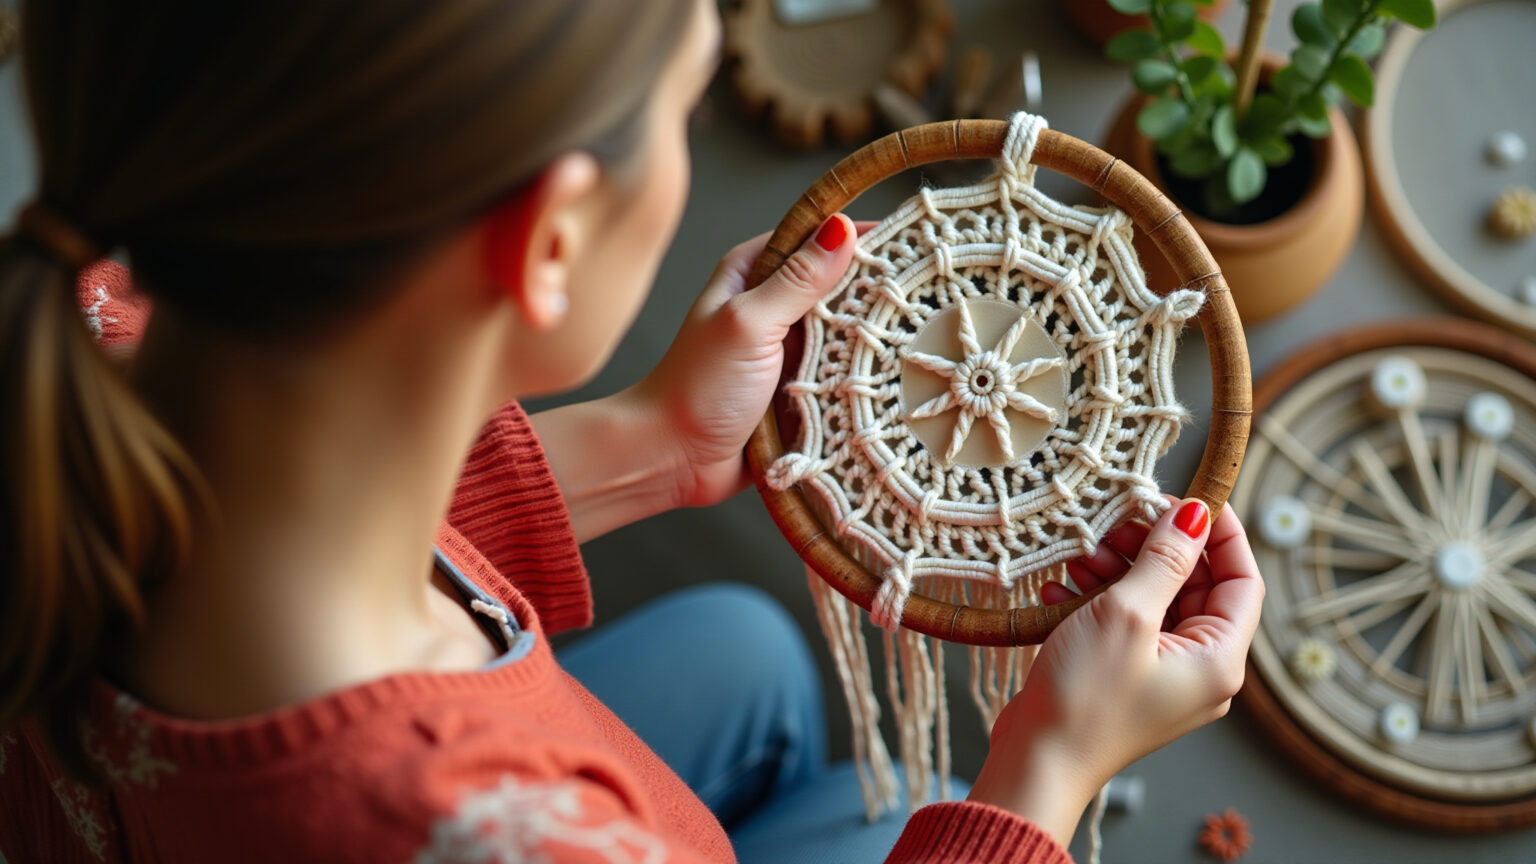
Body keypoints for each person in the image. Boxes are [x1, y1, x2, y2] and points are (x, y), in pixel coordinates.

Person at [0, 1, 1265, 861]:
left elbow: (284, 523)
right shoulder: (510, 837)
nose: (686, 151)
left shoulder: (93, 324)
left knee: (749, 652)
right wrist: (1043, 775)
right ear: (548, 242)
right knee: (928, 803)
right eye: (683, 111)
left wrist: (653, 441)